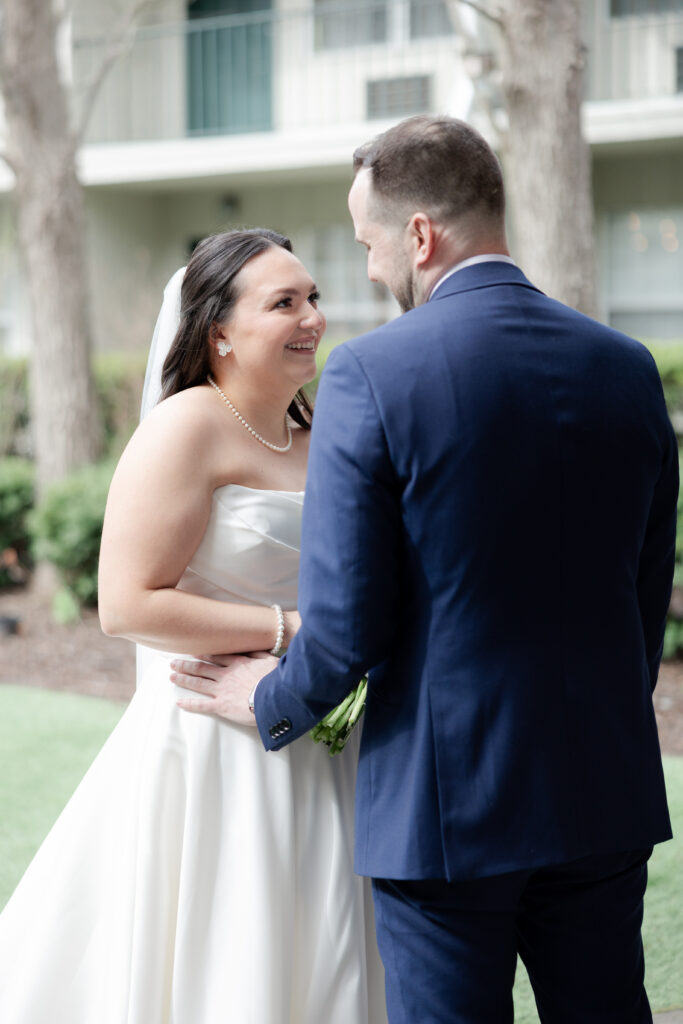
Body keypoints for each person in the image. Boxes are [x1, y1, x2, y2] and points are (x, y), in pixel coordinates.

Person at [173, 117, 678, 1023]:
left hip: (447, 810)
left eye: (367, 245)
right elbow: (643, 598)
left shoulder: (372, 374)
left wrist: (269, 697)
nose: (368, 272)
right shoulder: (629, 367)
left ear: (418, 235)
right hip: (604, 788)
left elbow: (350, 620)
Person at [0, 228, 387, 1024]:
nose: (313, 315)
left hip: (319, 738)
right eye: (284, 302)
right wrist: (291, 629)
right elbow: (128, 603)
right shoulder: (185, 428)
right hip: (213, 739)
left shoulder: (320, 435)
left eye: (312, 296)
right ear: (218, 332)